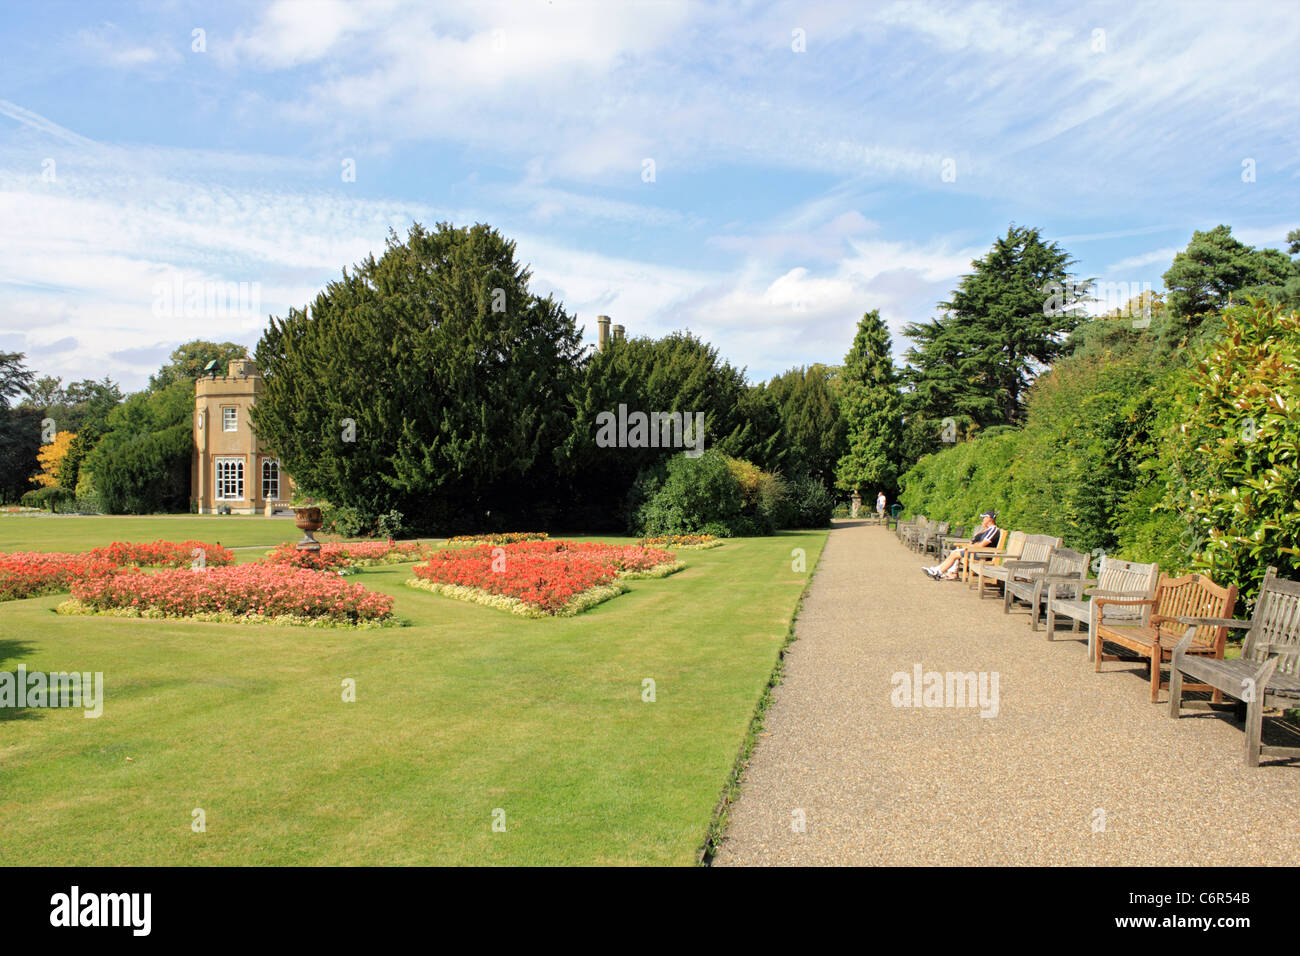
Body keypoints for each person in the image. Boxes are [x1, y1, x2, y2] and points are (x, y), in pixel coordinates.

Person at [923, 511, 1000, 581]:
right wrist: (982, 531)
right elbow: (973, 541)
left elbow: (981, 545)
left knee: (956, 553)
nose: (982, 519)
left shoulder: (993, 530)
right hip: (976, 551)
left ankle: (938, 571)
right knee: (955, 551)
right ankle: (949, 573)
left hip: (982, 555)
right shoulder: (987, 530)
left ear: (990, 518)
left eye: (984, 517)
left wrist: (970, 546)